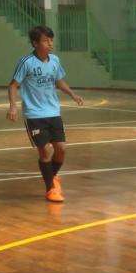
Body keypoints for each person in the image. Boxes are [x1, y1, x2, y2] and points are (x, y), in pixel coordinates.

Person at [6, 26, 84, 202]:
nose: (50, 43)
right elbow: (13, 85)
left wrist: (72, 94)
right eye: (45, 40)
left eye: (51, 40)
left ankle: (52, 176)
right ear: (35, 43)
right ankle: (51, 189)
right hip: (35, 115)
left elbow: (59, 80)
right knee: (45, 152)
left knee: (61, 150)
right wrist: (13, 106)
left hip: (53, 112)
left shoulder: (54, 60)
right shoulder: (26, 62)